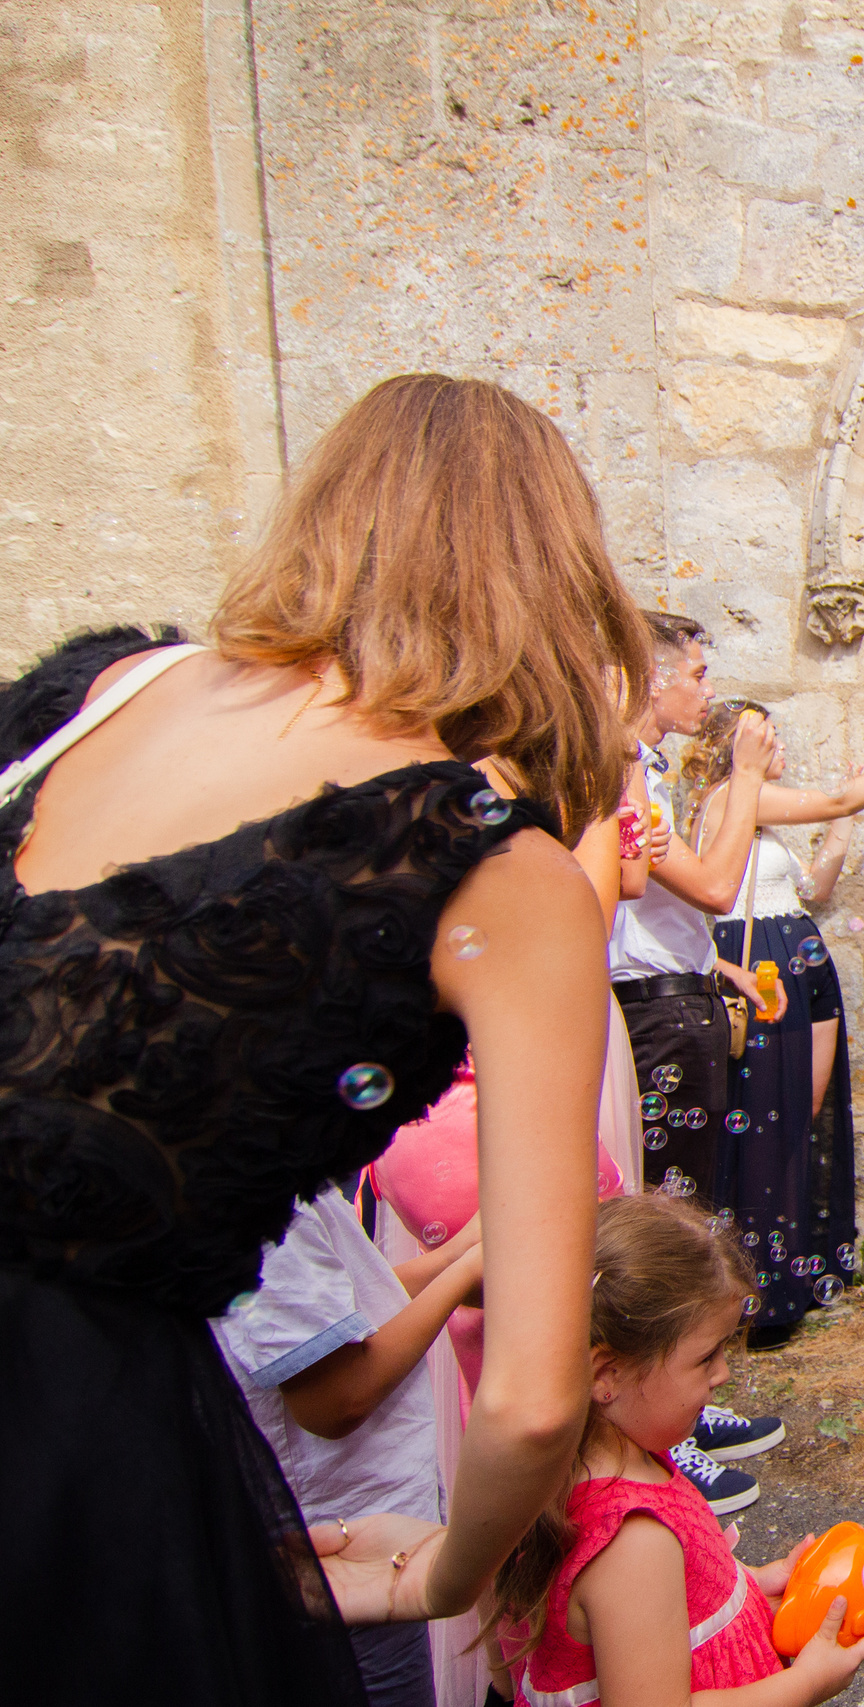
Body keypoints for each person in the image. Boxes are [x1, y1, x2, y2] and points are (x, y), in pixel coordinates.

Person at [0, 374, 638, 1702]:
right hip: (60, 1438)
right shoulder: (492, 869)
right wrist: (442, 1573)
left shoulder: (107, 688)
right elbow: (530, 1393)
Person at [493, 1194, 864, 1707]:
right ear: (605, 1375)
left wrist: (747, 1588)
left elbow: (660, 1610)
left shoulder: (623, 1462)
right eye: (706, 1357)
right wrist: (808, 1682)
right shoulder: (631, 1543)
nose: (723, 1374)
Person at [682, 696, 864, 1347]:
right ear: (734, 747)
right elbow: (834, 800)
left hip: (799, 962)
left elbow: (815, 886)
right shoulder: (732, 796)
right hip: (763, 968)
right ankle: (760, 1291)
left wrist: (843, 826)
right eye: (766, 737)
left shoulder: (758, 815)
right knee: (765, 1123)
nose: (778, 747)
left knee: (797, 1116)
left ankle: (796, 1265)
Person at [213, 1195, 488, 1707]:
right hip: (340, 1562)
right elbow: (336, 1400)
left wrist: (449, 1260)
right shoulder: (275, 1215)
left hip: (339, 1548)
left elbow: (344, 1315)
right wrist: (463, 1272)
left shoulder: (271, 1191)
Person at [611, 612, 778, 1203]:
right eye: (699, 674)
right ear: (652, 677)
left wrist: (716, 964)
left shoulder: (641, 772)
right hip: (661, 1021)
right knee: (673, 1208)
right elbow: (715, 889)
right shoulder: (623, 770)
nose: (709, 691)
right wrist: (749, 777)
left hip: (673, 1001)